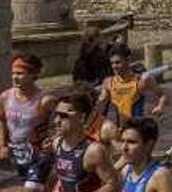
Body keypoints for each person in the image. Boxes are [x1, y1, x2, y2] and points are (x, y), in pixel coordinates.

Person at [0, 55, 57, 190]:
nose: (15, 77)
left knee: (31, 188)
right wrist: (2, 144)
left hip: (39, 155)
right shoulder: (5, 97)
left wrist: (52, 140)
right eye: (13, 73)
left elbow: (59, 125)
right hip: (16, 153)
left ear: (33, 75)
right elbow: (2, 120)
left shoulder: (45, 101)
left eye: (20, 73)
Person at [53, 92, 121, 192]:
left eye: (63, 116)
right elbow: (63, 178)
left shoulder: (93, 150)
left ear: (81, 117)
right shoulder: (57, 143)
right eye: (56, 115)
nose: (56, 121)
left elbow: (113, 184)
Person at [98, 44, 168, 139]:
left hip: (137, 131)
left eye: (118, 62)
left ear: (128, 60)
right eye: (112, 63)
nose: (114, 66)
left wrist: (160, 106)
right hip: (118, 131)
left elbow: (162, 95)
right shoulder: (108, 82)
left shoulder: (142, 81)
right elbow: (101, 106)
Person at [119, 118, 172, 192]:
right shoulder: (126, 170)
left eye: (131, 142)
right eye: (122, 141)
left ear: (148, 145)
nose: (124, 148)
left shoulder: (161, 176)